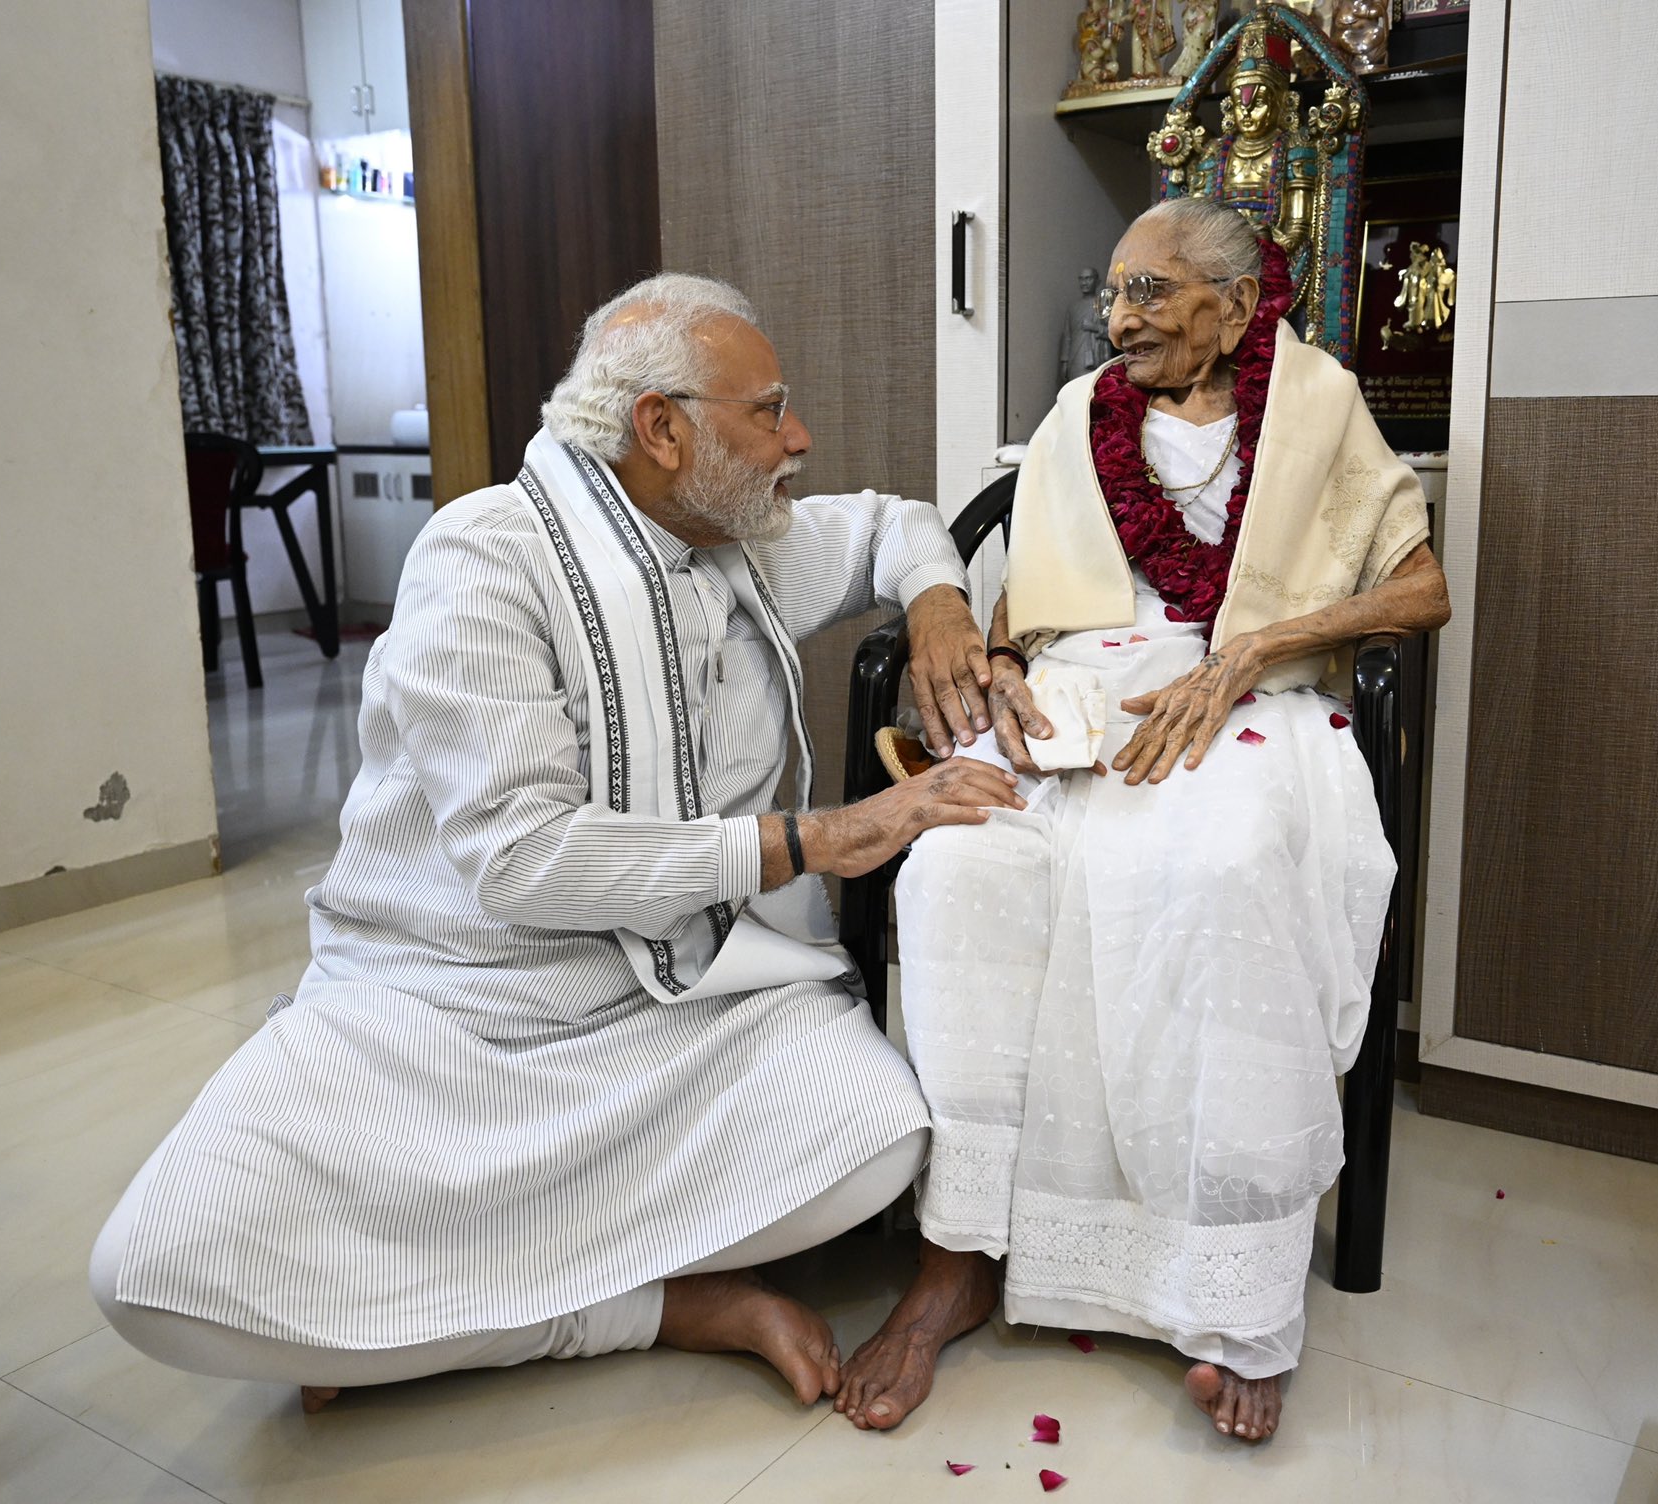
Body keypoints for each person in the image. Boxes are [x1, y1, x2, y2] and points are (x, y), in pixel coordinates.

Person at [90, 273, 1020, 1412]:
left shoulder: (742, 538)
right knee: (155, 1271)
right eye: (767, 410)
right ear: (662, 430)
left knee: (880, 1138)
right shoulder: (481, 563)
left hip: (685, 1004)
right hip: (452, 1008)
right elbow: (525, 861)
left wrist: (937, 605)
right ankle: (662, 1305)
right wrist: (814, 839)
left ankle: (429, 1311)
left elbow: (892, 523)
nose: (799, 437)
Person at [834, 198, 1450, 1443]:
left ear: (1232, 306)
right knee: (957, 867)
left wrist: (1248, 652)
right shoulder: (1076, 416)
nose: (1115, 320)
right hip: (1083, 690)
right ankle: (960, 1250)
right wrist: (1001, 665)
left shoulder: (1319, 401)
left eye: (1149, 294)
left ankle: (1233, 1293)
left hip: (1249, 696)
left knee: (1219, 867)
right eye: (1109, 293)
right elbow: (1020, 603)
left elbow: (1419, 588)